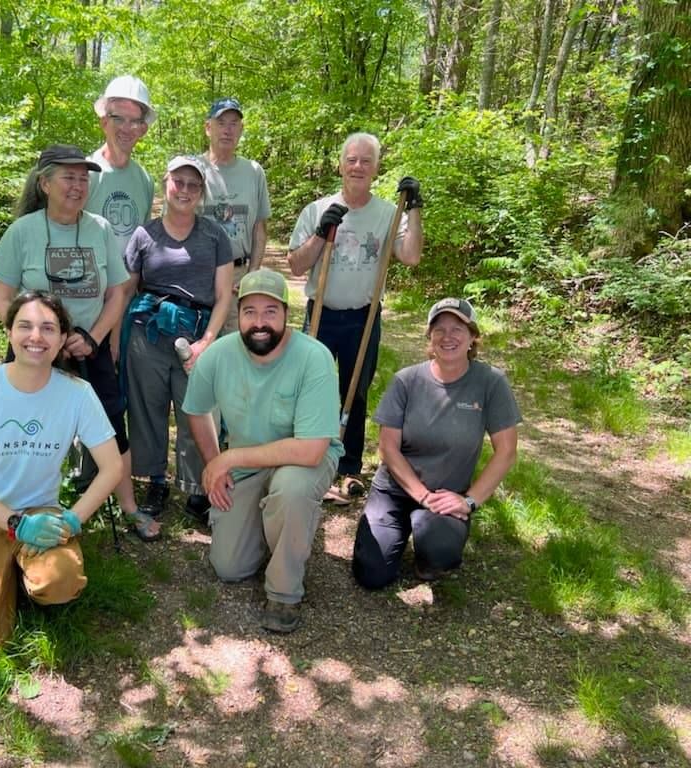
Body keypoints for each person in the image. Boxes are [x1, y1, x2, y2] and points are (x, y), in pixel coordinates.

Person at [0, 291, 123, 652]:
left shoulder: (77, 393)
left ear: (61, 339)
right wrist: (16, 524)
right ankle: (6, 576)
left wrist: (74, 519)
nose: (35, 337)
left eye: (48, 328)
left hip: (43, 516)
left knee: (59, 582)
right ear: (9, 332)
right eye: (25, 326)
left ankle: (32, 579)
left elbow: (113, 466)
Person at [0, 144, 147, 537]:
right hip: (33, 352)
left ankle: (128, 508)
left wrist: (93, 336)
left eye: (83, 178)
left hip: (87, 348)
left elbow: (117, 293)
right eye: (68, 177)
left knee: (111, 423)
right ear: (44, 183)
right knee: (20, 426)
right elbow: (2, 294)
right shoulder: (22, 231)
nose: (77, 186)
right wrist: (26, 336)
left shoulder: (100, 228)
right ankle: (13, 511)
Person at [182, 269, 343, 634]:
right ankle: (281, 528)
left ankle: (284, 592)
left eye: (271, 312)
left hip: (304, 462)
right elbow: (195, 409)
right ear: (237, 314)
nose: (259, 322)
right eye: (250, 311)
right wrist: (215, 466)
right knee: (229, 567)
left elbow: (311, 450)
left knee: (292, 489)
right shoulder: (218, 355)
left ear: (287, 315)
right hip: (248, 463)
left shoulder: (314, 358)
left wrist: (229, 458)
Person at [287, 132, 424, 503]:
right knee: (309, 387)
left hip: (362, 318)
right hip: (321, 313)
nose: (358, 166)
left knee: (355, 389)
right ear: (341, 164)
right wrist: (320, 234)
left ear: (376, 167)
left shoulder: (386, 214)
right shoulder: (317, 209)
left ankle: (347, 468)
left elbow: (410, 256)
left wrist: (414, 208)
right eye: (352, 159)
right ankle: (303, 456)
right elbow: (297, 266)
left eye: (366, 160)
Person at [351, 298, 521, 589]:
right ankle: (395, 529)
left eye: (457, 328)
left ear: (472, 337)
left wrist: (469, 501)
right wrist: (421, 496)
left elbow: (506, 452)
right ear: (429, 337)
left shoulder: (491, 382)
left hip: (446, 496)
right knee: (371, 576)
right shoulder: (407, 380)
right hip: (395, 490)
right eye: (439, 329)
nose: (448, 337)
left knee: (439, 548)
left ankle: (428, 552)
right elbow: (388, 448)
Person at [122, 156, 234, 529]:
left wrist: (207, 341)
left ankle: (196, 487)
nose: (184, 190)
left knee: (196, 411)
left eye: (193, 185)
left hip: (197, 332)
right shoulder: (145, 234)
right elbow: (127, 289)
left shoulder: (215, 235)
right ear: (166, 184)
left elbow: (223, 296)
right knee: (148, 407)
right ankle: (155, 481)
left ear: (201, 192)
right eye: (178, 182)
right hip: (147, 333)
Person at [200, 98, 271, 333]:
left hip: (237, 275)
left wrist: (252, 273)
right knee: (197, 348)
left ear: (241, 129)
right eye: (221, 123)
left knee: (236, 348)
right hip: (200, 272)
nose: (228, 130)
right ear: (208, 127)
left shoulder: (253, 172)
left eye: (234, 123)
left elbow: (259, 228)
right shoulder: (193, 169)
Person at [87, 75, 156, 263]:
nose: (126, 129)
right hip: (88, 287)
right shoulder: (86, 174)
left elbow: (144, 243)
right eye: (118, 119)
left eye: (134, 121)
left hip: (129, 289)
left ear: (143, 129)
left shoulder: (145, 180)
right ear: (104, 122)